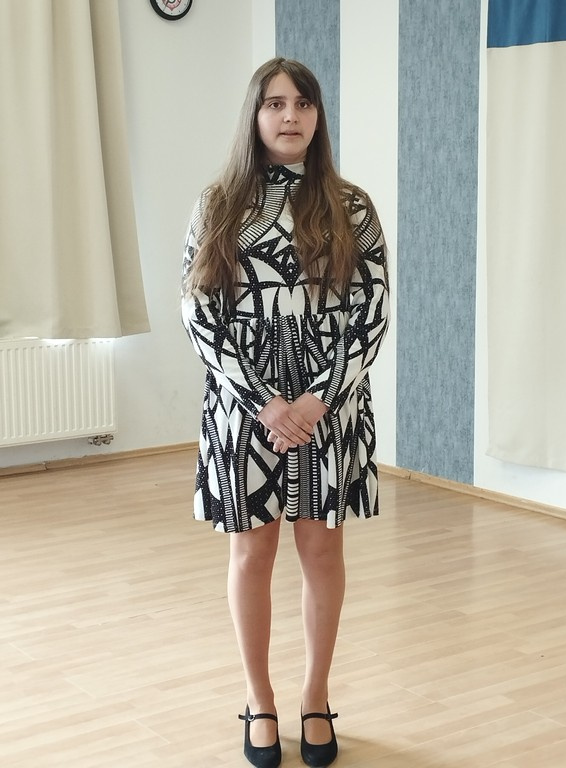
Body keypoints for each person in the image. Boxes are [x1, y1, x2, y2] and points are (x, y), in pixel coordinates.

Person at [181, 57, 389, 768]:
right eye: (275, 103)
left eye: (302, 103)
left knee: (323, 550)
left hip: (329, 406)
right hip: (246, 410)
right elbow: (199, 314)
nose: (290, 115)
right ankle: (259, 699)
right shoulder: (218, 205)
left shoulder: (351, 206)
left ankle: (315, 695)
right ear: (255, 114)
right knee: (252, 552)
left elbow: (372, 314)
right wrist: (265, 403)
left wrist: (316, 400)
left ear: (318, 115)